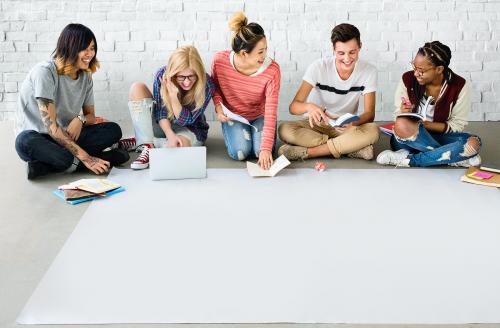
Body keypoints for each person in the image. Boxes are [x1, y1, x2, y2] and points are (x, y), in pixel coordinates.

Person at [14, 23, 128, 180]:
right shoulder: (45, 72)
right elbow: (52, 128)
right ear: (70, 48)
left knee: (113, 130)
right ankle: (90, 161)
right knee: (24, 141)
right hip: (40, 138)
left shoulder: (86, 76)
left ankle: (51, 166)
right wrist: (87, 158)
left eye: (92, 48)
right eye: (85, 48)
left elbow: (91, 117)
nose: (90, 54)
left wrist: (80, 119)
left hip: (67, 136)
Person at [277, 23, 379, 161]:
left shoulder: (369, 71)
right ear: (333, 49)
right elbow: (293, 107)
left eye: (352, 52)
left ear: (360, 47)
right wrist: (309, 107)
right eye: (341, 53)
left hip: (345, 129)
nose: (347, 59)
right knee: (284, 129)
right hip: (316, 126)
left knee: (373, 130)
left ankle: (308, 152)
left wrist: (352, 124)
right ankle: (350, 148)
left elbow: (369, 114)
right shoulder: (318, 67)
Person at [376, 41, 481, 167]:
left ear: (439, 69)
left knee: (474, 143)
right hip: (410, 138)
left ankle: (409, 159)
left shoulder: (458, 85)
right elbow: (398, 115)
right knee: (402, 124)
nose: (415, 73)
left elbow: (457, 124)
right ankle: (453, 157)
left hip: (441, 136)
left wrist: (426, 125)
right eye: (414, 67)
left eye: (421, 70)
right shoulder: (408, 79)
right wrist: (404, 112)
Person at [118, 46, 215, 170]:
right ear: (173, 73)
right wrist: (169, 134)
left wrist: (173, 96)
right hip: (163, 124)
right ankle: (147, 143)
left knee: (177, 148)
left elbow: (187, 120)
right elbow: (160, 112)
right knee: (137, 88)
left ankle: (143, 141)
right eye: (181, 77)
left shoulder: (207, 83)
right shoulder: (161, 75)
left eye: (191, 76)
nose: (187, 82)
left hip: (189, 129)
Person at [211, 12, 281, 170]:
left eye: (266, 49)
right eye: (260, 52)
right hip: (235, 116)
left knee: (259, 152)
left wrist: (264, 149)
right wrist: (218, 108)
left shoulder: (272, 70)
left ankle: (258, 140)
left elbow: (271, 111)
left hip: (260, 115)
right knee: (240, 153)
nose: (265, 55)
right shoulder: (219, 61)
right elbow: (215, 89)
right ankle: (243, 133)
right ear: (244, 53)